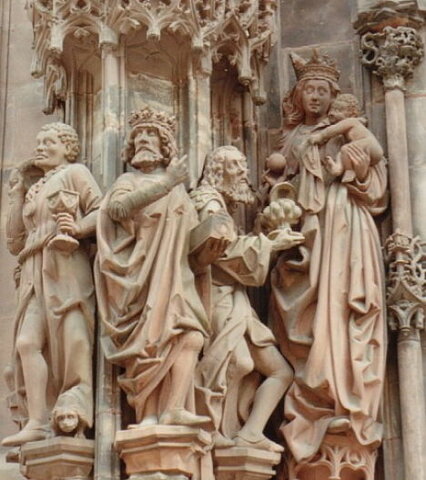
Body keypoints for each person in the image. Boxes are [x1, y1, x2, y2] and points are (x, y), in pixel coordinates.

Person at [268, 50, 388, 463]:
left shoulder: (347, 132)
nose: (315, 97)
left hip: (343, 228)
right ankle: (313, 403)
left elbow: (375, 184)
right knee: (303, 319)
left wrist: (352, 171)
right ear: (297, 96)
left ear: (333, 96)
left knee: (339, 308)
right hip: (302, 236)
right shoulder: (291, 139)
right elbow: (278, 186)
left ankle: (344, 400)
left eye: (322, 90)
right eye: (309, 90)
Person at [95, 107, 210, 427]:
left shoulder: (180, 191)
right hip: (140, 278)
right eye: (138, 135)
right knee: (149, 344)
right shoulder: (129, 180)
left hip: (177, 275)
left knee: (191, 337)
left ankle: (173, 408)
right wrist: (167, 183)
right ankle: (147, 415)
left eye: (151, 134)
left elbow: (191, 239)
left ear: (165, 144)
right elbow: (117, 209)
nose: (144, 139)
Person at [191, 146, 304, 452]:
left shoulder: (222, 205)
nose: (243, 172)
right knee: (237, 361)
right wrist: (270, 244)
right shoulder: (207, 202)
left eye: (243, 165)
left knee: (280, 371)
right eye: (235, 166)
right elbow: (219, 251)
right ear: (217, 171)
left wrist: (264, 233)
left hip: (235, 299)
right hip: (215, 296)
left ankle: (249, 433)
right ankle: (210, 428)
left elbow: (233, 245)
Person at [3, 122, 102, 446]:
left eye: (50, 142)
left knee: (73, 337)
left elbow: (101, 212)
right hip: (33, 267)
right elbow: (14, 241)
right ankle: (37, 419)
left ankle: (74, 404)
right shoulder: (34, 188)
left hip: (66, 264)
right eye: (39, 141)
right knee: (26, 343)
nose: (41, 147)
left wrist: (77, 228)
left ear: (68, 148)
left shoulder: (75, 173)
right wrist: (17, 191)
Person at [309, 93, 384, 177]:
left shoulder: (351, 121)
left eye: (338, 110)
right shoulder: (347, 132)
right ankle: (343, 169)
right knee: (345, 152)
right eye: (332, 109)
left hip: (370, 145)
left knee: (345, 149)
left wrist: (320, 136)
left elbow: (333, 130)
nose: (332, 113)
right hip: (373, 153)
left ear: (352, 115)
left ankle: (341, 169)